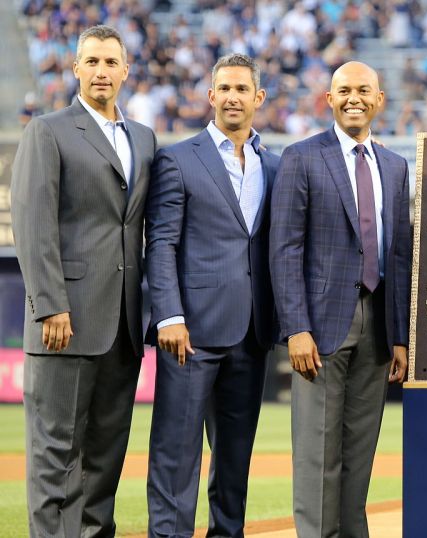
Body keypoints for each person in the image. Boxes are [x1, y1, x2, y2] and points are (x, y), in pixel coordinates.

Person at [10, 25, 157, 537]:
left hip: (123, 325)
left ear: (125, 70)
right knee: (55, 456)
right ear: (75, 68)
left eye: (109, 62)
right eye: (90, 61)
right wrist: (50, 304)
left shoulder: (144, 137)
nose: (100, 71)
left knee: (104, 460)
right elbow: (33, 222)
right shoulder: (47, 130)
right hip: (64, 322)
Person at [269, 61, 411, 537]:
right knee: (317, 453)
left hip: (377, 328)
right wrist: (297, 327)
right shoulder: (302, 157)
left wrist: (400, 337)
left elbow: (398, 255)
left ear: (379, 99)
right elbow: (284, 248)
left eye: (364, 90)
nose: (354, 98)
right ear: (328, 100)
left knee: (359, 451)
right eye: (344, 90)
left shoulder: (394, 166)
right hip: (320, 327)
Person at [144, 53, 279, 538]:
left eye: (243, 89)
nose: (233, 97)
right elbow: (161, 243)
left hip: (251, 334)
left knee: (235, 459)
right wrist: (169, 315)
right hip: (191, 332)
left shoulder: (275, 164)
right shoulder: (178, 158)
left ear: (258, 98)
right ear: (211, 96)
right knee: (175, 453)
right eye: (224, 88)